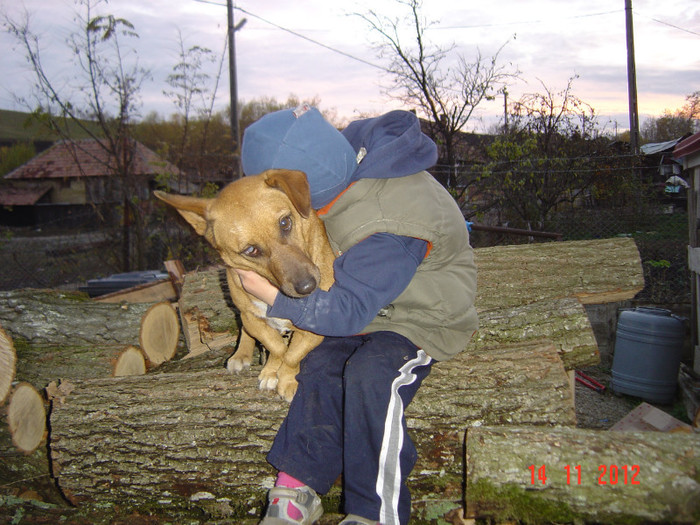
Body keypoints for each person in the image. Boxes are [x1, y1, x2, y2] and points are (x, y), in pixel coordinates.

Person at [236, 104, 478, 525]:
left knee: (371, 376)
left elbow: (348, 312)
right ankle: (296, 489)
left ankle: (374, 512)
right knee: (322, 364)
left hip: (418, 318)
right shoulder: (343, 163)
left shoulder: (391, 222)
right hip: (369, 306)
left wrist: (276, 298)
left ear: (303, 195)